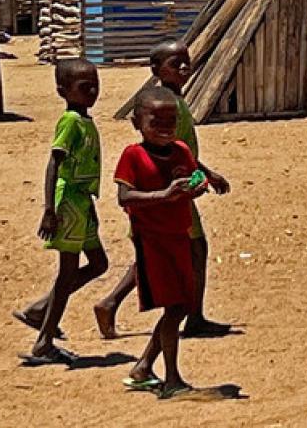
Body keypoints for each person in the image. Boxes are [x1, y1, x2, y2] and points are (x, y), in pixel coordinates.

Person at [95, 41, 231, 340]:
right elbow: (168, 150)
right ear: (156, 70)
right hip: (168, 190)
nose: (184, 67)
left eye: (186, 61)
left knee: (156, 255)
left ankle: (112, 304)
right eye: (175, 63)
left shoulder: (174, 101)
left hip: (178, 185)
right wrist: (197, 175)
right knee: (191, 250)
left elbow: (181, 149)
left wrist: (205, 173)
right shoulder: (163, 104)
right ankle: (191, 316)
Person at [115, 86, 213, 398]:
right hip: (152, 242)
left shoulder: (181, 151)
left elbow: (197, 177)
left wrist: (198, 187)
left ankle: (144, 367)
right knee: (174, 307)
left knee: (181, 306)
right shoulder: (134, 155)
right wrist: (165, 195)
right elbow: (125, 196)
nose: (165, 128)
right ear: (137, 122)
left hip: (179, 238)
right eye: (156, 121)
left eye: (171, 121)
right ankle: (171, 379)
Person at [15, 58, 109, 365]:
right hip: (67, 201)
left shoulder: (84, 120)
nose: (92, 91)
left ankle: (40, 309)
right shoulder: (70, 122)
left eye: (95, 85)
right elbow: (54, 164)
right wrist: (49, 210)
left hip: (83, 201)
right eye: (84, 87)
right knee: (67, 271)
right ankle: (43, 341)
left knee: (98, 264)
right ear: (63, 91)